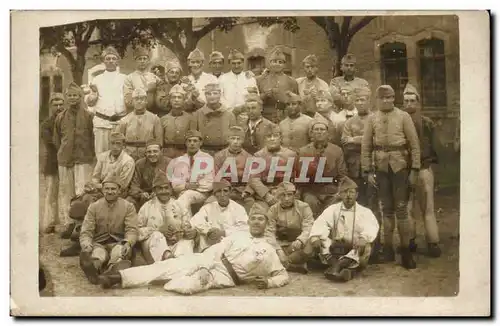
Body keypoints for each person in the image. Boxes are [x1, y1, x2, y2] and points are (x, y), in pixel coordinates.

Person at [97, 207, 289, 294]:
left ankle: (168, 280)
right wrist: (206, 265)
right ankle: (118, 278)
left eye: (261, 219)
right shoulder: (238, 235)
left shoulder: (268, 249)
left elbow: (282, 274)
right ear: (249, 221)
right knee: (167, 265)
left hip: (226, 278)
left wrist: (270, 282)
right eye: (254, 218)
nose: (256, 222)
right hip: (208, 261)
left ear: (266, 223)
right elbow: (218, 249)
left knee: (186, 286)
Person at [361, 85, 421, 269]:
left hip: (400, 167)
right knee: (386, 209)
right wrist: (367, 171)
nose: (387, 101)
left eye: (390, 97)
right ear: (377, 100)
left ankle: (405, 252)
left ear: (394, 98)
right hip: (381, 169)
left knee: (401, 209)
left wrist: (415, 170)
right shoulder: (372, 118)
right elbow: (366, 146)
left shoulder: (403, 117)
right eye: (383, 98)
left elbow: (414, 145)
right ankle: (387, 249)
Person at [307, 177, 379, 282]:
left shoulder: (365, 212)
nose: (348, 195)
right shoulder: (333, 209)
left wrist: (363, 238)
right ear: (340, 194)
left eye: (351, 192)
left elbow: (371, 226)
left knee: (366, 246)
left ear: (357, 195)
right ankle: (346, 270)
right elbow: (322, 222)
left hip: (355, 248)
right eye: (345, 192)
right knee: (321, 240)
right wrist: (315, 237)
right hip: (337, 248)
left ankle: (335, 267)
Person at [341, 86, 382, 261]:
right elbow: (345, 143)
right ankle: (357, 246)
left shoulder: (376, 120)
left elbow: (377, 141)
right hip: (354, 170)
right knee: (357, 207)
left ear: (369, 101)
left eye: (363, 99)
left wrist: (357, 139)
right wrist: (364, 140)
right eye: (357, 100)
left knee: (373, 208)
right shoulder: (349, 122)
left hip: (372, 168)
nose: (360, 103)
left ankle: (375, 247)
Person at [403, 83, 441, 258]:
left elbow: (434, 148)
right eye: (406, 101)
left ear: (418, 103)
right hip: (404, 171)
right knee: (407, 208)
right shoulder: (399, 122)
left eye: (412, 100)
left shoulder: (427, 123)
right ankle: (411, 241)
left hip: (423, 169)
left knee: (428, 208)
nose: (409, 104)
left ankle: (433, 242)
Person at [79, 175, 139, 285]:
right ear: (102, 190)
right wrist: (86, 244)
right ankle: (94, 268)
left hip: (118, 242)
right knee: (98, 254)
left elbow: (132, 230)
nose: (110, 192)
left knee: (118, 253)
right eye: (107, 189)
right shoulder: (94, 207)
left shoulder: (128, 206)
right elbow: (86, 231)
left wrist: (128, 243)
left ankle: (112, 270)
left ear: (119, 191)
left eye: (113, 189)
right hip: (99, 243)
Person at [53, 82, 95, 238]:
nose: (73, 98)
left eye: (76, 95)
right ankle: (69, 224)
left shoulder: (89, 116)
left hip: (83, 159)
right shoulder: (60, 117)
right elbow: (57, 139)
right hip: (65, 159)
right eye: (70, 95)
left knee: (82, 191)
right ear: (66, 97)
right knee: (66, 192)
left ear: (81, 97)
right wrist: (64, 151)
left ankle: (81, 225)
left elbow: (92, 138)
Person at [137, 172, 196, 264]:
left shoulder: (179, 205)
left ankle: (179, 263)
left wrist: (186, 231)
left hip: (176, 245)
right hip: (154, 249)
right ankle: (168, 258)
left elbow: (188, 226)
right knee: (157, 236)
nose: (164, 191)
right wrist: (158, 230)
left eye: (166, 188)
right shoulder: (147, 207)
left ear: (171, 190)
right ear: (155, 191)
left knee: (186, 243)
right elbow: (136, 232)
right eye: (160, 188)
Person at [296, 121, 347, 218]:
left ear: (327, 133)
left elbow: (342, 175)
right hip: (311, 190)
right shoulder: (303, 151)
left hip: (331, 190)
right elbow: (299, 177)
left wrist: (339, 192)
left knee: (333, 209)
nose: (319, 132)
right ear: (311, 133)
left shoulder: (336, 150)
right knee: (310, 203)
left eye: (322, 129)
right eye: (316, 129)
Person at [244, 124, 297, 212]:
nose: (272, 139)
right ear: (265, 139)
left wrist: (286, 193)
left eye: (275, 136)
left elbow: (296, 178)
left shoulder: (291, 155)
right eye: (269, 136)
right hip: (265, 194)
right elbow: (254, 179)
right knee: (262, 213)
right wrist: (267, 195)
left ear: (280, 138)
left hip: (286, 193)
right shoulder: (258, 155)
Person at [85, 46, 127, 155]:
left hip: (119, 122)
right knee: (101, 154)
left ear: (117, 60)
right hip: (101, 122)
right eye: (108, 58)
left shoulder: (125, 78)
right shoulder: (97, 79)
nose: (111, 61)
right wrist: (91, 96)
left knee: (119, 154)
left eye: (113, 58)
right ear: (104, 61)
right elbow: (90, 102)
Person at [265, 182, 314, 274]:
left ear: (294, 195)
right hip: (281, 244)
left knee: (311, 243)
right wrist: (278, 250)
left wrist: (300, 240)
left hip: (298, 244)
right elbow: (269, 232)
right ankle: (290, 264)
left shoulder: (304, 207)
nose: (286, 198)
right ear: (278, 197)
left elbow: (309, 227)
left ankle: (283, 263)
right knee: (264, 246)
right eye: (283, 195)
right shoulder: (273, 209)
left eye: (289, 195)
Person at [191, 179, 249, 252]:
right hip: (211, 242)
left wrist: (223, 233)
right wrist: (208, 231)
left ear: (230, 192)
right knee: (202, 236)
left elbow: (244, 228)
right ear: (215, 194)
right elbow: (195, 221)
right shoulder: (207, 208)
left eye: (225, 191)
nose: (222, 195)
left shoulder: (238, 208)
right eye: (219, 191)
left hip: (230, 244)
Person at [170, 130, 214, 217]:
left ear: (200, 143)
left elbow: (209, 184)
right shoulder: (179, 160)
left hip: (202, 194)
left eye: (195, 141)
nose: (192, 143)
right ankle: (188, 225)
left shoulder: (207, 158)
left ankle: (185, 225)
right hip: (183, 193)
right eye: (189, 141)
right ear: (186, 143)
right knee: (184, 197)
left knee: (186, 196)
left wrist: (192, 187)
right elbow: (175, 185)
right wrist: (186, 186)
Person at [213, 126, 255, 212]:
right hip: (224, 190)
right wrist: (223, 191)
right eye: (233, 138)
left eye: (238, 139)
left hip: (242, 191)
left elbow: (252, 178)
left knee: (250, 204)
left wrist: (247, 191)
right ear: (228, 139)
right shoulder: (219, 156)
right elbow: (217, 177)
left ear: (242, 140)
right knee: (209, 203)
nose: (235, 141)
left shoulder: (249, 157)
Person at [40, 92, 65, 234]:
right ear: (51, 106)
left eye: (61, 104)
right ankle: (50, 222)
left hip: (67, 162)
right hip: (52, 162)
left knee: (65, 193)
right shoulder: (46, 124)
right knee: (51, 193)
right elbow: (51, 143)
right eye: (56, 105)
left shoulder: (68, 121)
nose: (59, 107)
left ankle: (65, 222)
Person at [116, 88, 163, 161]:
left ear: (146, 101)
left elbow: (159, 141)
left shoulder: (155, 119)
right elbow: (119, 141)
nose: (139, 101)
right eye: (136, 99)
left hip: (148, 155)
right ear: (132, 102)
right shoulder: (124, 120)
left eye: (142, 99)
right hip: (129, 155)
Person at [191, 83, 237, 156]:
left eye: (215, 93)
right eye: (208, 94)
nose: (212, 96)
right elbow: (193, 137)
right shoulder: (197, 114)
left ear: (220, 95)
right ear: (205, 96)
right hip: (204, 152)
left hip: (224, 152)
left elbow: (234, 137)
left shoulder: (229, 115)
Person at [127, 139, 172, 210]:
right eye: (149, 152)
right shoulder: (139, 164)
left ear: (161, 151)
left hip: (163, 193)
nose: (152, 154)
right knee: (129, 202)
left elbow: (174, 185)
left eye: (155, 151)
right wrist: (141, 194)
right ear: (145, 153)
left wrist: (159, 192)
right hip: (143, 195)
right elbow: (134, 185)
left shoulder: (169, 163)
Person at [257, 48, 298, 123]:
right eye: (274, 61)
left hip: (285, 116)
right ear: (270, 63)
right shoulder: (260, 79)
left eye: (280, 62)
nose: (277, 64)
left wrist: (289, 97)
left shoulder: (292, 81)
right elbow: (255, 99)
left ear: (284, 65)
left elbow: (297, 101)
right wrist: (265, 95)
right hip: (265, 116)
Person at [90, 131, 135, 198]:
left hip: (118, 192)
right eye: (112, 143)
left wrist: (100, 187)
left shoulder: (128, 161)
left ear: (123, 145)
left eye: (118, 144)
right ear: (109, 144)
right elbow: (96, 177)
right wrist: (95, 186)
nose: (115, 147)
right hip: (100, 190)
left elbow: (123, 185)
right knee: (85, 198)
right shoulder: (102, 156)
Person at [160, 84, 196, 159]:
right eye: (174, 97)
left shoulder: (190, 118)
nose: (176, 100)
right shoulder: (163, 119)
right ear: (170, 100)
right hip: (167, 154)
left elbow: (193, 140)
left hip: (185, 153)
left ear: (184, 100)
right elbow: (160, 141)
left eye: (179, 97)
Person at [123, 46, 160, 113]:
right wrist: (147, 89)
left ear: (148, 61)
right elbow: (128, 101)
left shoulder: (154, 77)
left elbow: (160, 96)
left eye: (144, 59)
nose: (142, 61)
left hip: (153, 114)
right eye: (139, 59)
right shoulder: (129, 78)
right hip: (136, 113)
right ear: (135, 61)